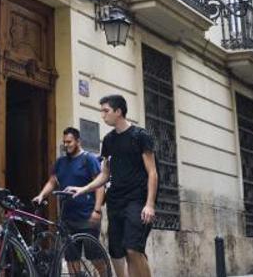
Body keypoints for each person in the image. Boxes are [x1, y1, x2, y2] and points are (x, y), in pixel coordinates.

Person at [65, 95, 159, 277]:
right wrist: (83, 189)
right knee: (116, 252)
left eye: (106, 111)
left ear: (119, 111)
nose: (102, 115)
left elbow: (152, 172)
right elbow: (105, 174)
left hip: (137, 200)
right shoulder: (108, 141)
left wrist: (150, 204)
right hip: (116, 200)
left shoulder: (140, 136)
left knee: (133, 249)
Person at [32, 127, 105, 270]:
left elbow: (100, 186)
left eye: (69, 142)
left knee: (94, 257)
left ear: (78, 141)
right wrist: (41, 195)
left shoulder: (88, 159)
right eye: (64, 142)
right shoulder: (60, 162)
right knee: (72, 259)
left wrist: (97, 210)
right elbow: (52, 182)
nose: (66, 145)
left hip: (87, 217)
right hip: (67, 218)